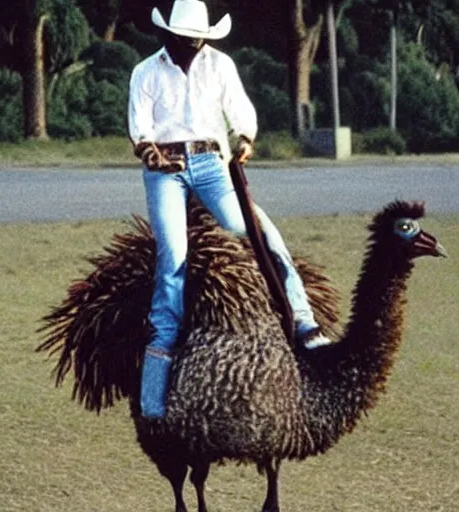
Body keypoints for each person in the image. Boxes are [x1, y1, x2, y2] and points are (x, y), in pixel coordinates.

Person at [128, 0, 331, 419]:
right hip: (165, 170)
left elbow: (241, 112)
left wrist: (244, 138)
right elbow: (140, 128)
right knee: (173, 259)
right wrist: (152, 155)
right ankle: (155, 388)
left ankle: (305, 320)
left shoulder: (219, 65)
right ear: (169, 36)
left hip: (211, 164)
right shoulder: (146, 72)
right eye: (187, 40)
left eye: (199, 40)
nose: (194, 47)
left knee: (253, 227)